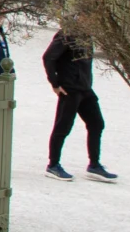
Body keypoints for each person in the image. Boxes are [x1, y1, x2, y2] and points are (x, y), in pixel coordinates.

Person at [43, 24, 116, 182]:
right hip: (69, 89)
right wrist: (55, 83)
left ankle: (94, 165)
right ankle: (53, 165)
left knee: (97, 123)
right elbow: (48, 57)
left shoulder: (87, 35)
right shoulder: (67, 34)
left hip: (85, 88)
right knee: (63, 126)